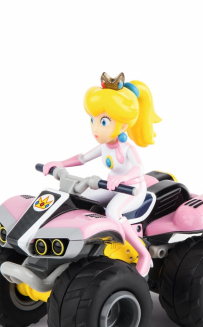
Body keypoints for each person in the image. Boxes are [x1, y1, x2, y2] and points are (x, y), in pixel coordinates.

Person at [43, 72, 161, 277]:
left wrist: (123, 178)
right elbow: (82, 158)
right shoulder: (105, 146)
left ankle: (142, 254)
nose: (95, 128)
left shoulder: (127, 148)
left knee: (113, 212)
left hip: (133, 188)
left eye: (103, 122)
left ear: (123, 125)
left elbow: (139, 169)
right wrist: (60, 163)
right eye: (93, 120)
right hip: (113, 185)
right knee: (81, 200)